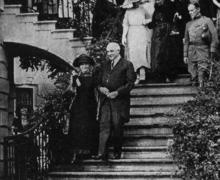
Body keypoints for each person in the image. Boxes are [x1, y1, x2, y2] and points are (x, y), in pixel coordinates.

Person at [94, 42, 136, 160]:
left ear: (118, 51)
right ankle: (102, 153)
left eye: (111, 51)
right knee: (104, 125)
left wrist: (117, 92)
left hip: (119, 101)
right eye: (107, 51)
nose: (109, 54)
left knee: (117, 126)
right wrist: (101, 88)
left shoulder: (127, 65)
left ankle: (117, 152)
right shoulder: (104, 65)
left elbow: (130, 83)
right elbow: (97, 82)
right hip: (105, 100)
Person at [68, 54, 99, 163]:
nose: (85, 66)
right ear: (79, 67)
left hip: (90, 106)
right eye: (82, 65)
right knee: (78, 129)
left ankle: (90, 152)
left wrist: (76, 78)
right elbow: (73, 90)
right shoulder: (75, 78)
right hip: (78, 107)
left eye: (87, 64)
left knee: (89, 127)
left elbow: (83, 87)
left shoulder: (93, 78)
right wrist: (74, 77)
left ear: (90, 66)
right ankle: (77, 153)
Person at [184, 2, 219, 87]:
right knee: (193, 76)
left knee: (202, 75)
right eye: (189, 11)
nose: (190, 13)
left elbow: (215, 37)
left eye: (192, 10)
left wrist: (212, 50)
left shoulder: (207, 20)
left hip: (203, 50)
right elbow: (186, 41)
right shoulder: (188, 24)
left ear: (198, 9)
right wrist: (185, 55)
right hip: (191, 51)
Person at [122, 0, 154, 83]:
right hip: (132, 33)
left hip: (141, 31)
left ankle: (142, 73)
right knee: (133, 53)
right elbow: (125, 24)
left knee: (141, 52)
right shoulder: (128, 12)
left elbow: (151, 19)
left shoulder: (142, 9)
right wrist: (124, 36)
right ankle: (136, 75)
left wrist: (145, 22)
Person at [148, 0, 176, 82]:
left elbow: (171, 19)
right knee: (157, 53)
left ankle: (167, 75)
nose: (158, 1)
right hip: (157, 34)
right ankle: (158, 76)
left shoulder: (169, 8)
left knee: (165, 53)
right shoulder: (156, 11)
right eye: (157, 0)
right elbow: (152, 23)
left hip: (165, 32)